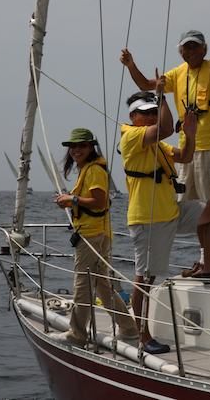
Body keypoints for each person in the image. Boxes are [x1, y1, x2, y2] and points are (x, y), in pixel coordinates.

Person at [121, 83, 210, 355]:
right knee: (145, 280)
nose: (151, 116)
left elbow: (185, 157)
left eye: (154, 111)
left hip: (172, 212)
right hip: (149, 221)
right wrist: (162, 96)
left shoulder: (159, 146)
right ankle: (143, 337)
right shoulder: (131, 137)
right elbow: (165, 128)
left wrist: (191, 135)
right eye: (145, 112)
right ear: (132, 117)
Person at [120, 29, 210, 277]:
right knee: (196, 208)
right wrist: (131, 65)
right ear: (181, 51)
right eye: (186, 47)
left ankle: (209, 264)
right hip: (188, 150)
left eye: (195, 46)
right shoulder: (177, 73)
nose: (191, 51)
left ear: (204, 49)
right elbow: (146, 85)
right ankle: (203, 261)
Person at [50, 128, 139, 348]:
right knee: (102, 285)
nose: (76, 150)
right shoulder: (89, 168)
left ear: (91, 147)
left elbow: (99, 202)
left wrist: (72, 198)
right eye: (73, 146)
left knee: (83, 286)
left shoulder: (94, 171)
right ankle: (128, 329)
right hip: (99, 234)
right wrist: (70, 200)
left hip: (92, 236)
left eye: (82, 145)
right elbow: (91, 201)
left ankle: (77, 336)